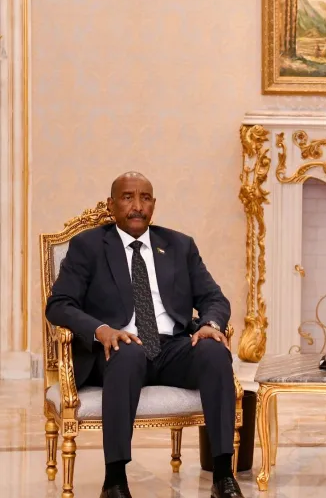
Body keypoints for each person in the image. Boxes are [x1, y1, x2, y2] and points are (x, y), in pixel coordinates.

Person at [46, 172, 244, 498]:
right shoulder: (88, 246)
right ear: (111, 205)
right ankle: (114, 481)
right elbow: (59, 304)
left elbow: (214, 298)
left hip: (172, 348)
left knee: (214, 351)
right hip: (117, 349)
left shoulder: (179, 245)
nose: (137, 206)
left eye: (145, 198)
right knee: (128, 353)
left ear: (154, 204)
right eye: (128, 197)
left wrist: (211, 323)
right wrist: (100, 330)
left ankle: (223, 476)